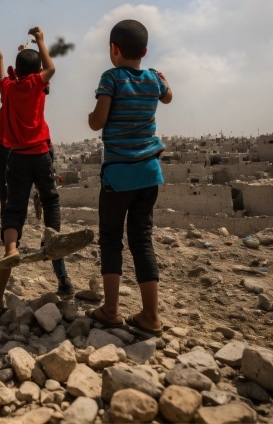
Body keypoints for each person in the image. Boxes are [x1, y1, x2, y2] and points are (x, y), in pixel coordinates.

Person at [87, 19, 172, 332]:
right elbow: (168, 97)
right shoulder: (153, 79)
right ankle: (150, 315)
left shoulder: (112, 77)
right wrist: (163, 80)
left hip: (118, 176)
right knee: (142, 240)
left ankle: (111, 310)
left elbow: (98, 121)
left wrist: (91, 117)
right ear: (145, 51)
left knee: (111, 239)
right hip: (149, 174)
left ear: (113, 49)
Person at [0, 27, 73, 314]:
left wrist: (0, 59)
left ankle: (11, 249)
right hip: (40, 153)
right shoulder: (37, 84)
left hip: (16, 157)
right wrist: (40, 40)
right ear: (36, 72)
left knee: (14, 208)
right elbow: (50, 67)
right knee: (50, 199)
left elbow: (1, 78)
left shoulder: (9, 89)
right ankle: (51, 236)